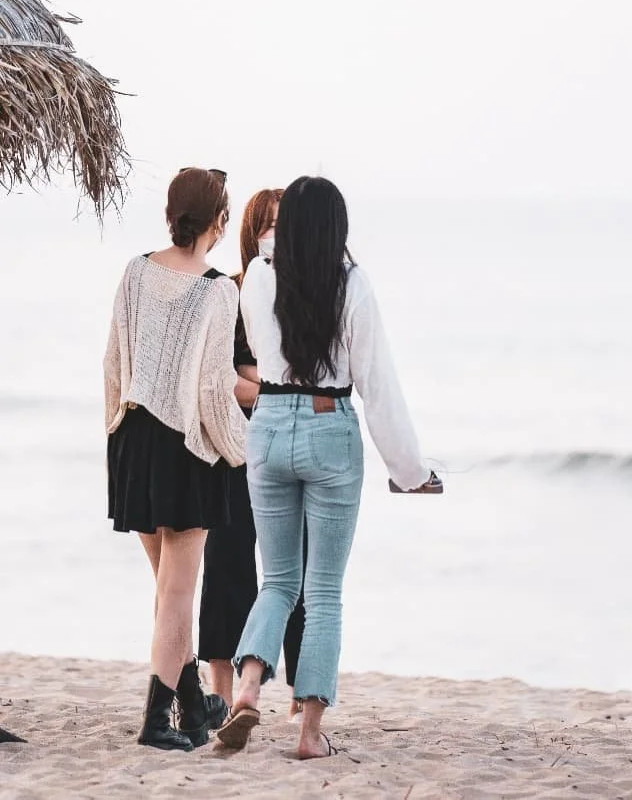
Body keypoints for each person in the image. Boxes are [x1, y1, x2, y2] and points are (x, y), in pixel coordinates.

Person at [217, 176, 442, 759]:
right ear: (337, 228)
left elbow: (266, 336)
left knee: (278, 582)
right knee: (323, 592)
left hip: (267, 426)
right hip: (329, 427)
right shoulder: (354, 284)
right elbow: (377, 383)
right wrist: (409, 469)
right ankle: (310, 735)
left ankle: (245, 690)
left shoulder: (260, 277)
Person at [104, 167, 246, 752]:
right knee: (178, 595)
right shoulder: (219, 289)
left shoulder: (136, 272)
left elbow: (113, 362)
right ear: (220, 220)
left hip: (133, 440)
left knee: (167, 591)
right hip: (187, 448)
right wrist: (241, 451)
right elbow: (214, 389)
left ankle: (193, 705)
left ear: (170, 214)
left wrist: (116, 433)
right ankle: (155, 723)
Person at [198, 188, 306, 719]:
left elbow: (304, 371)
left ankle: (301, 691)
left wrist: (260, 380)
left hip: (290, 442)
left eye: (287, 223)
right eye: (270, 223)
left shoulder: (307, 293)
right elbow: (221, 378)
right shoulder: (231, 290)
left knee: (296, 568)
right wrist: (272, 386)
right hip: (234, 444)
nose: (277, 234)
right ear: (251, 230)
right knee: (227, 560)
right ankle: (221, 684)